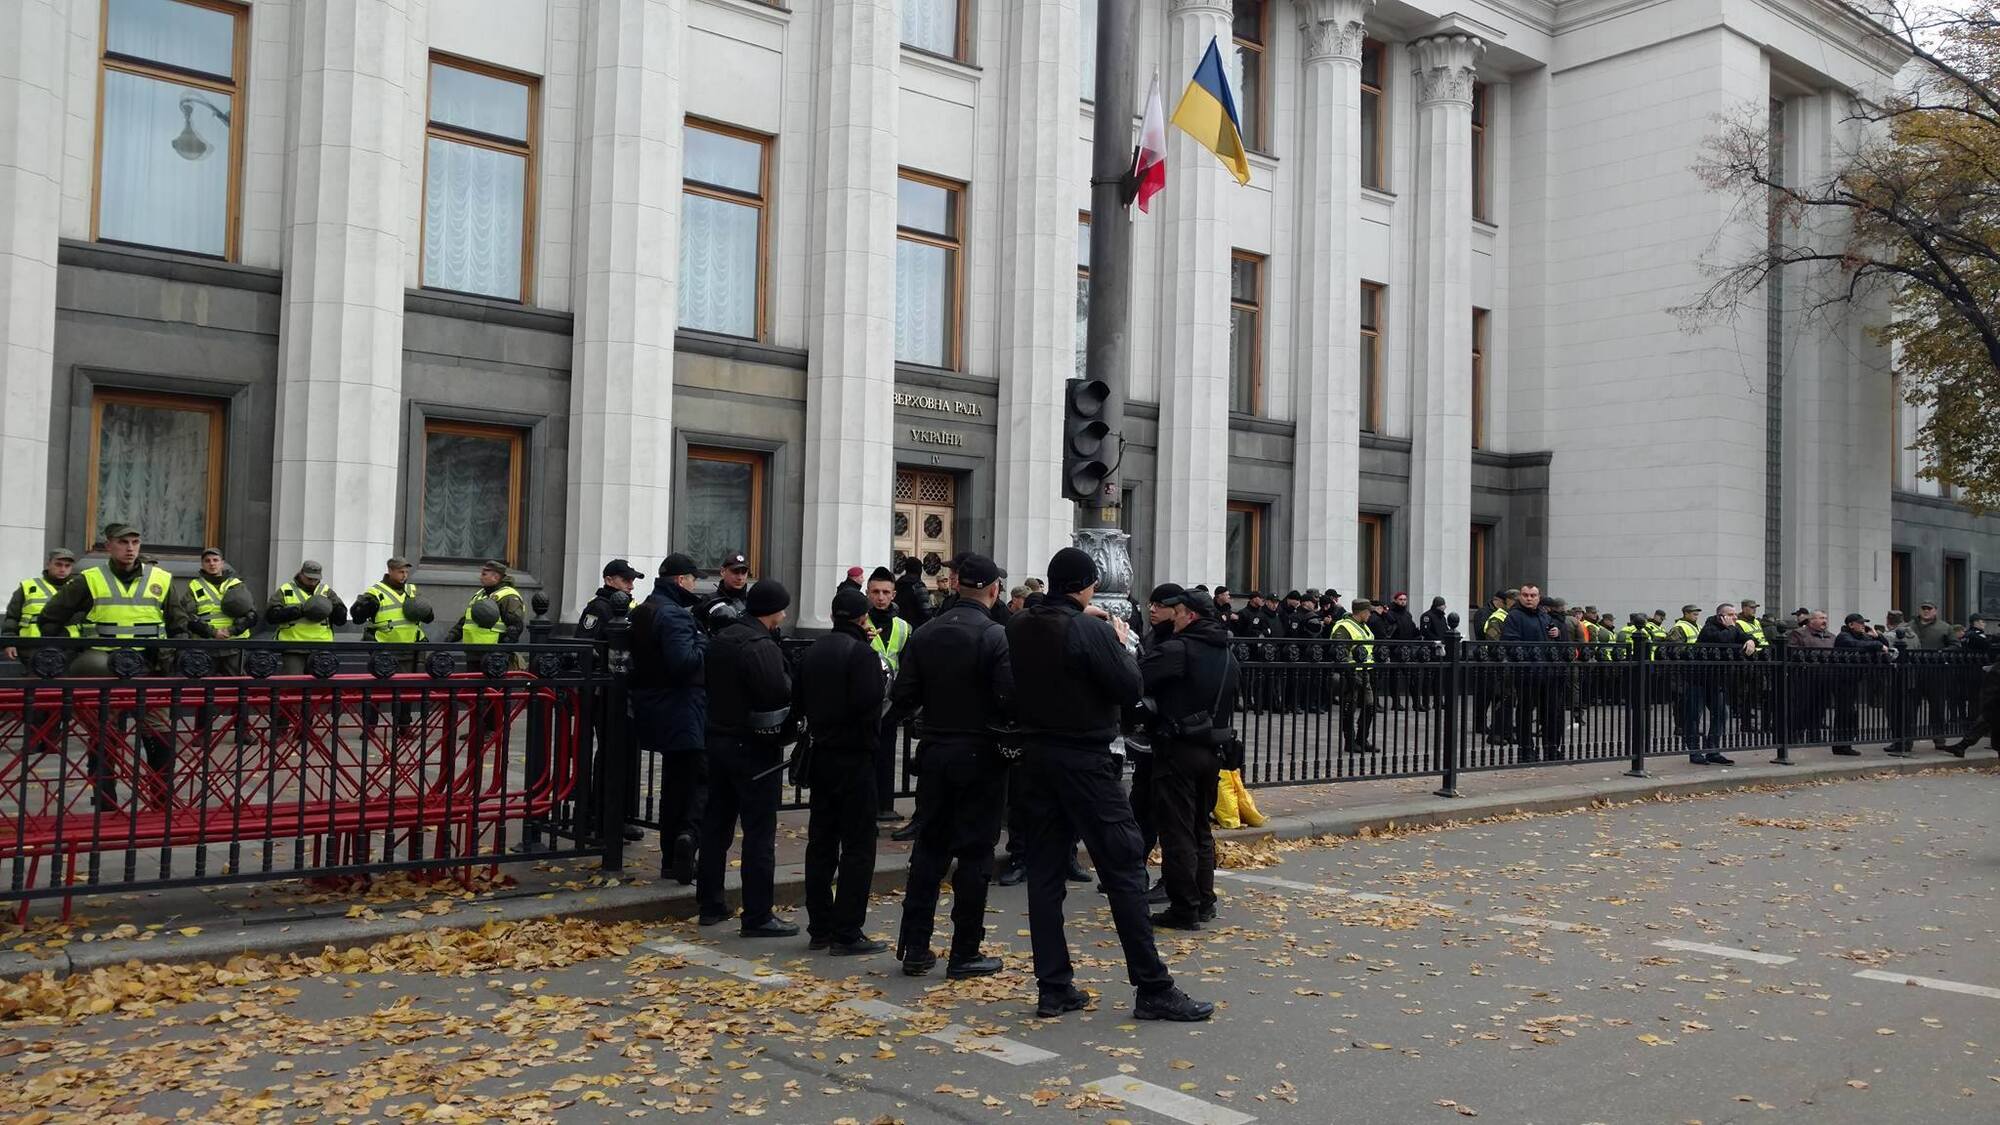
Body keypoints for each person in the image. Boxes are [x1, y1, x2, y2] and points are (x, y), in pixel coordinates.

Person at [1005, 546, 1211, 1022]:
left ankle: (1053, 987)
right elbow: (1128, 687)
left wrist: (1082, 613)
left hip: (1037, 759)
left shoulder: (1021, 625)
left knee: (1046, 873)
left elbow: (1040, 628)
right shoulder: (1089, 630)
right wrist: (1116, 638)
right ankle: (1152, 986)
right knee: (1124, 869)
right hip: (1085, 758)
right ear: (1085, 585)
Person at [890, 552, 1013, 978]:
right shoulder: (995, 636)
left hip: (937, 752)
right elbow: (1008, 698)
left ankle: (916, 946)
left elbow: (903, 694)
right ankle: (965, 951)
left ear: (957, 585)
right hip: (980, 754)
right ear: (994, 590)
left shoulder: (926, 633)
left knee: (930, 848)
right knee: (976, 852)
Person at [37, 524, 209, 804]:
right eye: (123, 542)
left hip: (150, 667)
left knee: (160, 733)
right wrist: (73, 654)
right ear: (109, 546)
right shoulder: (89, 579)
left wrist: (177, 654)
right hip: (103, 669)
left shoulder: (162, 579)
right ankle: (104, 797)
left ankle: (161, 796)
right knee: (104, 732)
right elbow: (50, 619)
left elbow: (178, 625)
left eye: (135, 542)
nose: (130, 548)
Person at [697, 579, 798, 937]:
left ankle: (710, 904)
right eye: (782, 608)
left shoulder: (723, 638)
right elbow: (776, 694)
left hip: (718, 739)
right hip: (753, 748)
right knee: (758, 832)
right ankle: (757, 915)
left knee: (716, 825)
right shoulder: (759, 646)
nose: (784, 615)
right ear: (771, 611)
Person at [797, 586, 890, 956]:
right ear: (862, 618)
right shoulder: (862, 655)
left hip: (822, 755)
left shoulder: (813, 651)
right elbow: (871, 704)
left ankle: (819, 924)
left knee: (821, 842)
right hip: (854, 757)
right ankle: (848, 930)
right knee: (857, 845)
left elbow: (798, 701)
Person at [1140, 588, 1237, 931]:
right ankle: (1204, 899)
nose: (1175, 617)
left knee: (1177, 829)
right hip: (1212, 750)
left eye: (1178, 612)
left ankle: (1184, 906)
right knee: (1200, 827)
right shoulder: (1225, 650)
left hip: (1177, 748)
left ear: (1190, 615)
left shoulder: (1179, 650)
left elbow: (1137, 677)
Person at [630, 553, 709, 882]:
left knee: (674, 786)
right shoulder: (674, 615)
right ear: (681, 580)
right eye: (693, 578)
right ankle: (687, 839)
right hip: (682, 710)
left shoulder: (646, 609)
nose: (695, 584)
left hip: (656, 708)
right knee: (698, 782)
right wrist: (705, 641)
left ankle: (669, 858)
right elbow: (684, 661)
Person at [350, 556, 432, 731]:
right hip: (384, 647)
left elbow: (428, 615)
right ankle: (369, 727)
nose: (404, 575)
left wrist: (427, 611)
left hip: (410, 646)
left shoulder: (412, 590)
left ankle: (404, 726)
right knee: (377, 690)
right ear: (390, 571)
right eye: (401, 571)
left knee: (407, 690)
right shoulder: (375, 592)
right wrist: (364, 608)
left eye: (406, 572)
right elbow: (357, 616)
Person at [862, 567, 913, 829]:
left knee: (887, 757)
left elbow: (908, 664)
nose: (880, 597)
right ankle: (867, 806)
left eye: (885, 592)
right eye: (875, 592)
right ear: (867, 593)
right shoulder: (860, 623)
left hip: (891, 703)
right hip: (865, 703)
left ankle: (885, 805)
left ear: (894, 594)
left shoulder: (904, 627)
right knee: (865, 758)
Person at [1501, 584, 1567, 762]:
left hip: (1548, 673)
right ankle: (1526, 750)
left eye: (1533, 595)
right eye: (1525, 595)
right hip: (1527, 674)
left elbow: (1554, 641)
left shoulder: (1544, 616)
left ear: (1539, 597)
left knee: (1551, 712)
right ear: (1520, 597)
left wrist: (1557, 633)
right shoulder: (1514, 617)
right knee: (1525, 711)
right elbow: (1510, 643)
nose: (1529, 598)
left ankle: (1551, 748)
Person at [1686, 604, 1753, 764]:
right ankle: (1694, 752)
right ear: (1720, 616)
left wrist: (1750, 640)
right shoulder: (1710, 628)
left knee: (1722, 714)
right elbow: (1723, 639)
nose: (1735, 617)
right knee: (1695, 716)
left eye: (1735, 614)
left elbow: (1745, 637)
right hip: (1699, 680)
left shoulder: (1733, 628)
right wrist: (1731, 628)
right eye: (1731, 614)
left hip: (1716, 681)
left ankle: (1712, 751)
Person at [1831, 612, 1897, 756]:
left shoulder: (1861, 636)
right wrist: (1877, 644)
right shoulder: (1843, 636)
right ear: (1851, 625)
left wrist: (1877, 636)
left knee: (1850, 712)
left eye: (1864, 623)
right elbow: (1855, 645)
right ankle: (1841, 744)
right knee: (1845, 712)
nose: (1863, 626)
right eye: (1860, 623)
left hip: (1854, 679)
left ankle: (1846, 742)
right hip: (1842, 680)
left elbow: (1884, 645)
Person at [184, 548, 257, 674]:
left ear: (222, 563)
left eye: (215, 560)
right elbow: (188, 616)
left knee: (234, 686)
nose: (212, 564)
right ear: (202, 564)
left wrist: (232, 630)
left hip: (234, 643)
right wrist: (212, 632)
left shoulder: (236, 584)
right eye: (207, 561)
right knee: (204, 685)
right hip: (206, 643)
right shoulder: (194, 586)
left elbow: (251, 615)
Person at [267, 560, 347, 675]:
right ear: (301, 574)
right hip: (293, 646)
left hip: (321, 645)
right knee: (293, 683)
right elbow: (271, 616)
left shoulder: (327, 592)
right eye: (309, 579)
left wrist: (335, 611)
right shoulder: (286, 590)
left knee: (320, 686)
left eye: (316, 579)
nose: (313, 582)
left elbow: (341, 619)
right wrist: (297, 611)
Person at [5, 546, 81, 661]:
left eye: (67, 566)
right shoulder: (28, 587)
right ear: (48, 564)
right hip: (31, 647)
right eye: (58, 564)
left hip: (69, 648)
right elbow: (12, 617)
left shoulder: (79, 589)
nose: (63, 569)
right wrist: (9, 642)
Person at [449, 561, 526, 657]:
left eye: (484, 574)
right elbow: (467, 620)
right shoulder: (480, 594)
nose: (480, 577)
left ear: (496, 577)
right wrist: (453, 634)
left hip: (494, 656)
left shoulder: (508, 596)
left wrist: (505, 647)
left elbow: (515, 626)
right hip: (472, 652)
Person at [576, 559, 645, 643]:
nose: (631, 586)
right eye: (626, 580)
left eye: (632, 581)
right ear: (609, 580)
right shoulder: (598, 607)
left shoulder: (629, 604)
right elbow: (585, 642)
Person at [700, 552, 754, 634]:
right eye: (735, 572)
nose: (740, 577)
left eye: (743, 572)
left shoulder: (752, 602)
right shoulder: (708, 601)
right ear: (722, 572)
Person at [893, 556, 933, 628]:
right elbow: (926, 611)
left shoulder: (898, 584)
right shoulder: (918, 585)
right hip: (916, 627)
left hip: (899, 626)